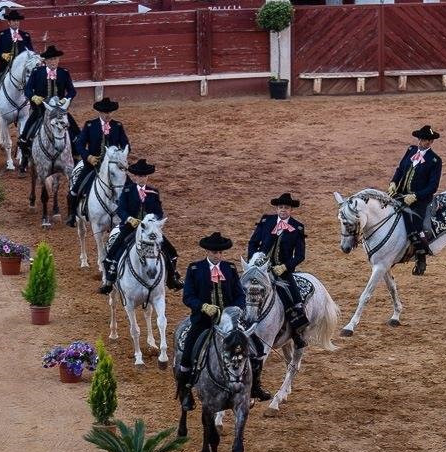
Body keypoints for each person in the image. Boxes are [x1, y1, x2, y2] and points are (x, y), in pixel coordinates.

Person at [176, 231, 270, 412]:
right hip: (203, 321)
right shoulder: (195, 269)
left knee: (257, 349)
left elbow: (239, 295)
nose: (217, 255)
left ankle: (254, 386)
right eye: (214, 252)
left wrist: (234, 310)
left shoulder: (230, 268)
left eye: (220, 253)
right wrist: (203, 306)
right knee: (186, 356)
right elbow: (188, 297)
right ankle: (186, 391)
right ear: (207, 252)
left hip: (229, 322)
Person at [98, 158, 182, 294]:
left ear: (147, 177)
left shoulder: (153, 192)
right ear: (135, 177)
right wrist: (129, 219)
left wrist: (153, 221)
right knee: (114, 251)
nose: (142, 178)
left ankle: (172, 278)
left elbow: (159, 212)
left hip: (149, 230)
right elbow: (121, 209)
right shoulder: (127, 191)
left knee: (171, 251)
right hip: (130, 228)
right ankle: (109, 279)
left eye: (144, 176)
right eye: (139, 176)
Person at [247, 193, 308, 349]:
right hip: (260, 268)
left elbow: (300, 255)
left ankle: (296, 333)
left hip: (282, 270)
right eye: (281, 207)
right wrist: (254, 259)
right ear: (277, 208)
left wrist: (285, 267)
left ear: (291, 210)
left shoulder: (297, 227)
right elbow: (253, 243)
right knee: (244, 288)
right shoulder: (267, 221)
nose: (283, 210)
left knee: (294, 299)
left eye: (286, 208)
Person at [66, 97, 129, 226]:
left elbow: (126, 145)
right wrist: (88, 157)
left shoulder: (117, 126)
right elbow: (79, 144)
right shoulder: (90, 125)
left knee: (130, 188)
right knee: (75, 190)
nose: (108, 115)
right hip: (93, 166)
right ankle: (72, 215)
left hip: (113, 167)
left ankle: (131, 213)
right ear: (99, 112)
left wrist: (120, 156)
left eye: (110, 112)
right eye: (105, 112)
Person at [388, 125, 442, 276]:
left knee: (415, 226)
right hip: (401, 194)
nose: (423, 142)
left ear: (431, 142)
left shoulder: (435, 160)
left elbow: (433, 186)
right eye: (422, 139)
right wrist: (393, 183)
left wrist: (416, 196)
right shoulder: (411, 150)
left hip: (420, 200)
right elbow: (400, 169)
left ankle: (421, 256)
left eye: (427, 140)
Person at [17, 45, 77, 161]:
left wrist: (66, 99)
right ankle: (25, 158)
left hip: (59, 110)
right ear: (45, 61)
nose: (53, 62)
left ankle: (75, 155)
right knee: (27, 133)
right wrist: (34, 97)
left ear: (58, 60)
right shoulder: (37, 72)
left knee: (75, 132)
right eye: (50, 59)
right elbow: (28, 89)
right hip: (41, 110)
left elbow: (72, 91)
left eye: (55, 59)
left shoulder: (64, 73)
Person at [0, 10, 33, 120]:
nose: (16, 23)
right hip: (4, 68)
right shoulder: (2, 34)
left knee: (33, 84)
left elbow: (30, 53)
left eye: (17, 20)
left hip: (21, 70)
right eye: (13, 20)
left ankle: (35, 107)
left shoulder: (25, 35)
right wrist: (3, 55)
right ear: (9, 22)